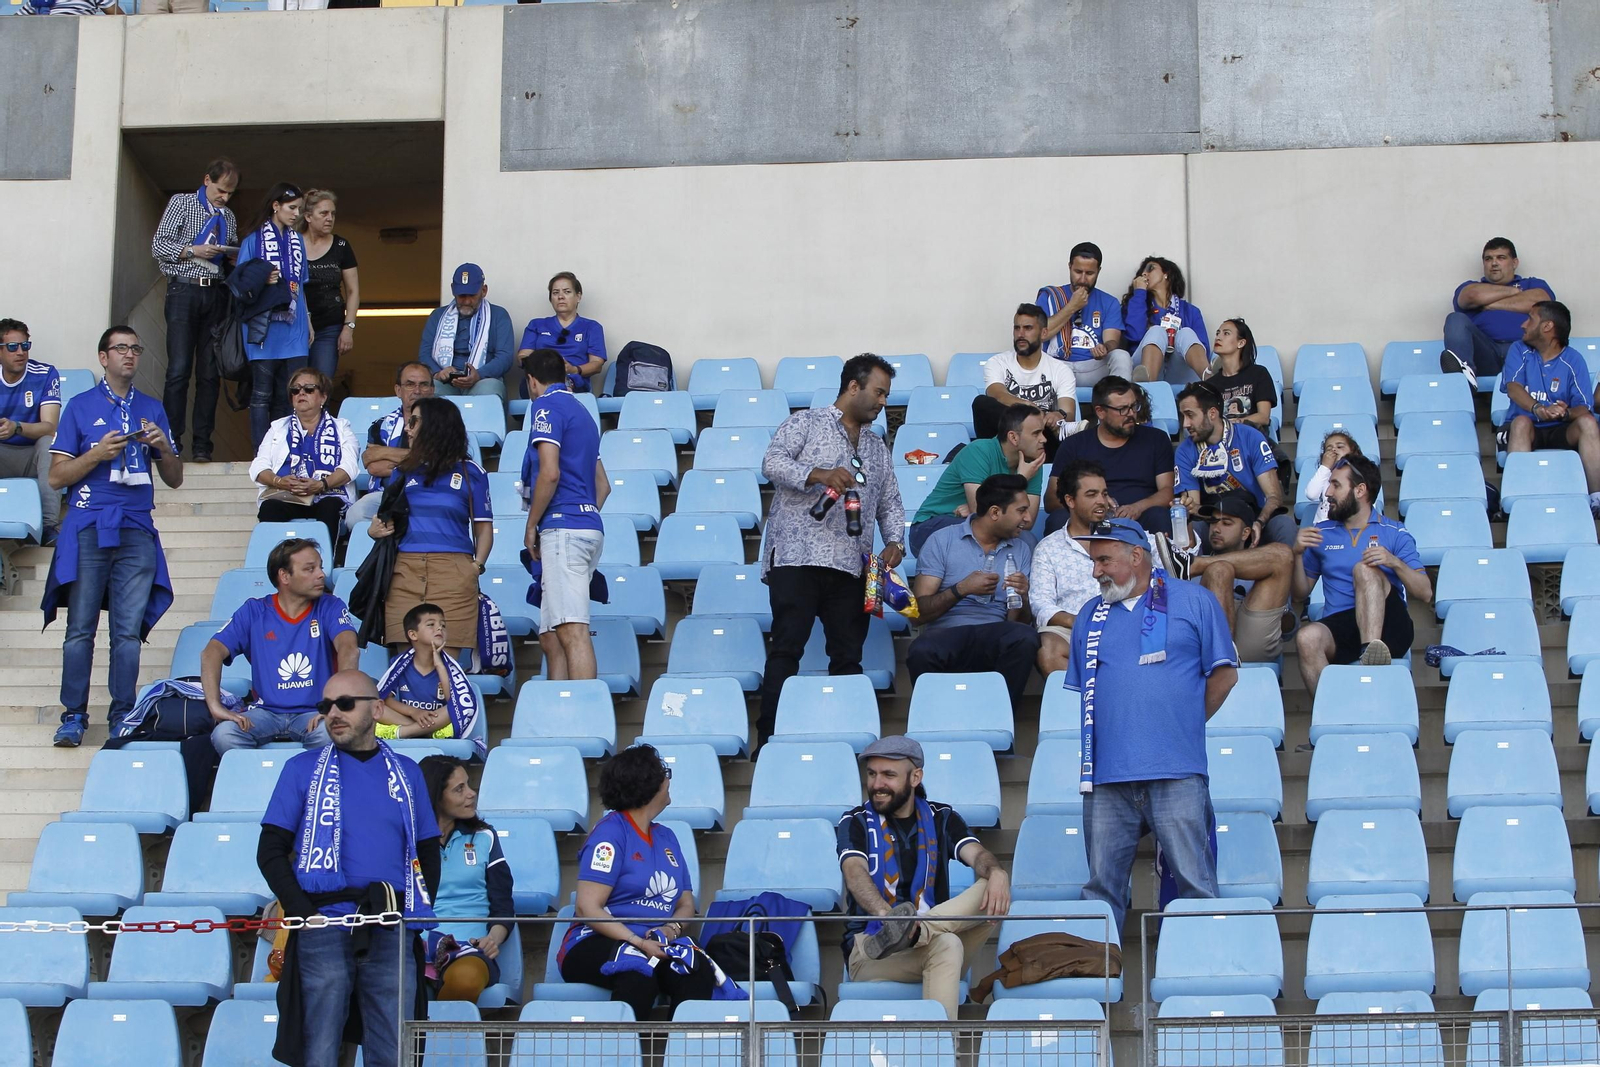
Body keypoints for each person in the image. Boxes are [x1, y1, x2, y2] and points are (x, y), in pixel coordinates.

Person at [257, 669, 439, 1067]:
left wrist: (411, 917)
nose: (333, 714)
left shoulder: (407, 773)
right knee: (319, 1051)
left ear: (377, 709)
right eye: (325, 706)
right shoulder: (300, 769)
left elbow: (428, 853)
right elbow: (269, 851)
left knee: (393, 1051)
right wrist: (304, 913)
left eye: (345, 703)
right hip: (322, 924)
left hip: (390, 925)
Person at [1064, 517, 1238, 934]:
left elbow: (1225, 675)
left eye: (1104, 560)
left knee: (1196, 887)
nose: (1096, 571)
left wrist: (1181, 722)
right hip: (1105, 777)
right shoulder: (1088, 615)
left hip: (1176, 770)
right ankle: (1100, 973)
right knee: (1100, 894)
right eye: (1094, 561)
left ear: (1136, 556)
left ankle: (1202, 966)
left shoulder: (1195, 601)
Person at [43, 327, 183, 747]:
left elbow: (175, 479)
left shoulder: (152, 407)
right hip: (89, 525)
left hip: (136, 528)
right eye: (121, 348)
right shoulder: (79, 406)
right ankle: (73, 715)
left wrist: (165, 449)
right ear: (103, 357)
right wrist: (97, 454)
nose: (130, 355)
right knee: (80, 629)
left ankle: (123, 713)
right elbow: (56, 477)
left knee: (127, 633)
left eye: (136, 348)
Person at [758, 354, 905, 749]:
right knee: (786, 650)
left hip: (851, 566)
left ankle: (847, 742)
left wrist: (895, 542)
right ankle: (768, 742)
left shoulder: (877, 446)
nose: (883, 402)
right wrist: (817, 474)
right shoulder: (805, 422)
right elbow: (771, 462)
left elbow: (890, 501)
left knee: (848, 657)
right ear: (853, 387)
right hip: (797, 558)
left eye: (886, 395)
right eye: (879, 392)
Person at [836, 735, 1011, 1021]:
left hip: (932, 938)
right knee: (948, 944)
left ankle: (918, 930)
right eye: (872, 774)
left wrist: (997, 872)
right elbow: (854, 872)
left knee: (992, 885)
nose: (877, 784)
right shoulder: (855, 821)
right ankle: (941, 1047)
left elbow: (978, 855)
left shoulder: (941, 817)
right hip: (871, 950)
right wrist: (887, 916)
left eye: (888, 775)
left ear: (915, 777)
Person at [558, 744, 717, 1020]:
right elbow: (587, 907)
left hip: (654, 942)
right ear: (647, 784)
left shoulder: (668, 837)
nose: (668, 780)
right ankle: (624, 1046)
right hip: (597, 941)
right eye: (664, 773)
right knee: (636, 971)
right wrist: (636, 941)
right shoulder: (610, 833)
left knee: (696, 970)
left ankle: (681, 1046)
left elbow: (686, 903)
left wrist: (670, 929)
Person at [202, 538, 358, 752]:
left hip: (316, 711)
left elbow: (349, 648)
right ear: (284, 576)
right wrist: (215, 706)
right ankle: (256, 775)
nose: (321, 574)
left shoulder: (331, 606)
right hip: (265, 713)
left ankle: (308, 775)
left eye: (320, 567)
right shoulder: (254, 611)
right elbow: (211, 653)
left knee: (330, 732)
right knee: (225, 734)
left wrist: (337, 703)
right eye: (310, 569)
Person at [1294, 455, 1433, 691]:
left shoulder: (1395, 532)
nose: (1328, 492)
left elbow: (1425, 592)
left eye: (1336, 485)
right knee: (1306, 638)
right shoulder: (1320, 533)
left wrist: (1394, 562)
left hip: (1390, 627)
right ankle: (1331, 711)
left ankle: (1370, 653)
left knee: (1365, 568)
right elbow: (1299, 594)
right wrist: (1296, 554)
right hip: (1343, 627)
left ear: (1360, 490)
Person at [370, 397, 491, 662]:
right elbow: (386, 521)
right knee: (408, 667)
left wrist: (476, 567)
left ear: (436, 425)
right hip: (404, 572)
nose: (407, 428)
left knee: (445, 667)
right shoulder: (401, 472)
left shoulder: (472, 472)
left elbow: (483, 529)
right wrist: (375, 530)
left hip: (453, 574)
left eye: (414, 421)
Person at [908, 474, 1040, 706]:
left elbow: (1017, 622)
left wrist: (1023, 597)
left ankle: (1002, 715)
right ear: (995, 512)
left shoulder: (1021, 548)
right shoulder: (942, 540)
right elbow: (918, 614)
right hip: (947, 633)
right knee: (921, 650)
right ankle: (935, 717)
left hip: (996, 631)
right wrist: (961, 589)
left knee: (1025, 638)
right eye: (1021, 511)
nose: (1028, 519)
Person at [521, 348, 609, 681]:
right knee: (551, 635)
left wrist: (532, 525)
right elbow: (603, 486)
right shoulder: (582, 411)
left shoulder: (545, 406)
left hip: (563, 528)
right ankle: (557, 705)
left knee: (572, 630)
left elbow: (549, 473)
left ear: (531, 381)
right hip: (587, 525)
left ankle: (584, 708)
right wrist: (582, 514)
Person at [151, 158, 238, 462]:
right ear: (207, 180)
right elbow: (158, 245)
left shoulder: (229, 216)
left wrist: (233, 257)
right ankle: (172, 443)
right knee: (178, 370)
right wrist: (193, 250)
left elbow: (230, 254)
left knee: (209, 374)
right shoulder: (182, 202)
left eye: (230, 193)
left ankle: (202, 446)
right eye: (220, 190)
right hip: (183, 289)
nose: (224, 197)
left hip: (215, 292)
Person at [418, 755, 513, 1002]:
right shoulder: (406, 840)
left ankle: (434, 1027)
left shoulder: (485, 836)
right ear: (435, 796)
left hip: (468, 948)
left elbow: (503, 907)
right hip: (415, 946)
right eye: (459, 789)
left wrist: (492, 940)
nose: (472, 794)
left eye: (469, 784)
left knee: (466, 979)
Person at [1498, 300, 1600, 514]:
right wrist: (1538, 409)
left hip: (1561, 428)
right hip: (1527, 428)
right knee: (1521, 422)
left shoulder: (1573, 360)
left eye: (1530, 319)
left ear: (1547, 326)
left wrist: (1565, 413)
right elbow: (1513, 388)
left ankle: (1596, 500)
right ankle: (1515, 503)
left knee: (1588, 423)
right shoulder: (1519, 350)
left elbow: (1584, 406)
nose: (1523, 325)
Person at [907, 403, 1046, 555]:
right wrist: (1021, 479)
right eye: (1036, 434)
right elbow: (981, 513)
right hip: (933, 524)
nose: (1044, 439)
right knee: (978, 536)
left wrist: (985, 509)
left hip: (979, 526)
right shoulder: (979, 451)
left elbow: (1026, 521)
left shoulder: (1032, 463)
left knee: (1027, 541)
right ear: (1013, 437)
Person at [1045, 376, 1175, 536]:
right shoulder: (1074, 445)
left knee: (1160, 515)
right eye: (1122, 409)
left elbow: (1167, 492)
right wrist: (1092, 503)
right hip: (1088, 520)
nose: (1131, 414)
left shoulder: (1156, 440)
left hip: (1140, 518)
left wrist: (1137, 507)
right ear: (1100, 412)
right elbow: (1051, 500)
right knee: (1058, 518)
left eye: (1134, 406)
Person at [248, 367, 359, 548]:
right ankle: (277, 560)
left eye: (309, 389)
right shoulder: (278, 428)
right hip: (288, 495)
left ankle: (323, 561)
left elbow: (350, 467)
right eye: (295, 390)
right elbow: (259, 466)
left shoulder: (342, 428)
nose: (301, 393)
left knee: (330, 507)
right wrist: (279, 481)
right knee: (270, 508)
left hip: (327, 494)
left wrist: (321, 484)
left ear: (323, 397)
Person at [237, 182, 312, 449]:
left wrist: (309, 322)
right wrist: (262, 279)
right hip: (263, 328)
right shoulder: (252, 241)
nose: (296, 214)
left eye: (299, 209)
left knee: (292, 394)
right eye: (292, 208)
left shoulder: (298, 241)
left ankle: (287, 450)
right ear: (276, 206)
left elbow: (301, 285)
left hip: (295, 326)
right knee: (261, 395)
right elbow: (240, 284)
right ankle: (262, 453)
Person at [1174, 382, 1295, 546]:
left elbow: (1274, 497)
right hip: (1213, 522)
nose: (1185, 424)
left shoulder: (1250, 436)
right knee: (1193, 529)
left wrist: (1259, 523)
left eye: (1190, 415)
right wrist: (1222, 521)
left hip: (1254, 518)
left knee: (1284, 525)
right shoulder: (1184, 451)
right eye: (1183, 417)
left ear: (1212, 413)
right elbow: (1194, 506)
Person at [1029, 461, 1114, 678]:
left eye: (1104, 494)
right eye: (1091, 494)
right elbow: (1041, 604)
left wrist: (1184, 524)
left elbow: (1174, 560)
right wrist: (1077, 620)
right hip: (1071, 629)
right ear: (1070, 500)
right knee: (1048, 649)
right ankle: (1084, 700)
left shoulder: (1124, 537)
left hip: (1122, 623)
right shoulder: (1048, 548)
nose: (1101, 501)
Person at [1187, 496, 1293, 665]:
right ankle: (1223, 658)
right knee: (1219, 570)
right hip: (1207, 640)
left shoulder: (1265, 562)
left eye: (1226, 523)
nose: (1216, 529)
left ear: (1245, 533)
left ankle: (1225, 659)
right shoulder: (1187, 565)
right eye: (1213, 522)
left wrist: (1282, 613)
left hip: (1251, 633)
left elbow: (1289, 630)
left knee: (1283, 553)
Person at [1441, 237, 1555, 389]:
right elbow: (1472, 296)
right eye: (1488, 259)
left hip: (1522, 350)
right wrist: (1514, 292)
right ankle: (1464, 379)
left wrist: (1488, 304)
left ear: (1514, 263)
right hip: (1484, 353)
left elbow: (1542, 302)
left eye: (1501, 257)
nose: (1494, 263)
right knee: (1455, 319)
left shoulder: (1532, 284)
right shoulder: (1472, 286)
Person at [970, 303, 1081, 449]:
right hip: (1008, 441)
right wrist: (1030, 408)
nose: (1020, 334)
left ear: (1044, 333)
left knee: (1056, 428)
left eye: (1028, 328)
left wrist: (1058, 415)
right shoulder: (997, 363)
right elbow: (998, 394)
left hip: (1043, 441)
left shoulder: (1060, 370)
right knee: (981, 403)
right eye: (1017, 328)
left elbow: (1068, 412)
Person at [373, 603, 481, 750]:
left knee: (461, 708)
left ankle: (407, 732)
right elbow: (386, 698)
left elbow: (455, 703)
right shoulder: (399, 663)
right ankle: (426, 733)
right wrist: (414, 712)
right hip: (410, 718)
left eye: (443, 625)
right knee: (374, 706)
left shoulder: (450, 666)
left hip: (437, 719)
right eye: (431, 624)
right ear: (413, 634)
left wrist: (440, 666)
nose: (439, 628)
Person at [348, 361, 436, 531]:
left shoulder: (445, 423)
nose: (417, 391)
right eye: (410, 384)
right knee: (355, 515)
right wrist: (420, 460)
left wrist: (385, 452)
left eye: (424, 384)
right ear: (398, 390)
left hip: (430, 492)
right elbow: (374, 467)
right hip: (386, 495)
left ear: (432, 390)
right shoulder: (381, 425)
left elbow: (436, 462)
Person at [1035, 241, 1132, 386]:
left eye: (1090, 273)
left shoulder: (1109, 302)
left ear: (1098, 271)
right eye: (1078, 272)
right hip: (1056, 366)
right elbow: (1040, 335)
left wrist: (1105, 348)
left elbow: (1112, 340)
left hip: (1093, 366)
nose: (1082, 279)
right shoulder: (1050, 297)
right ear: (1069, 267)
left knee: (1121, 355)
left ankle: (1119, 400)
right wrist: (1072, 306)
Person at [0, 318, 62, 543]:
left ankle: (48, 527)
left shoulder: (45, 374)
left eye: (25, 345)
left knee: (49, 443)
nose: (20, 352)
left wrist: (16, 427)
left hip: (32, 455)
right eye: (12, 347)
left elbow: (50, 427)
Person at [419, 263, 516, 399]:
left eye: (472, 295)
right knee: (427, 391)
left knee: (490, 390)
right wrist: (438, 373)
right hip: (445, 382)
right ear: (453, 290)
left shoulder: (498, 315)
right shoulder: (437, 316)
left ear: (483, 291)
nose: (466, 301)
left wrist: (479, 374)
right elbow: (424, 354)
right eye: (462, 295)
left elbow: (505, 357)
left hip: (483, 380)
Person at [299, 190, 360, 383]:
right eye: (324, 213)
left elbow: (353, 291)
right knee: (295, 383)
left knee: (322, 382)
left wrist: (348, 328)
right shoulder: (293, 244)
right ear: (308, 216)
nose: (330, 218)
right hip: (296, 325)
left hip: (329, 326)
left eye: (333, 213)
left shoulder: (341, 246)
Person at [516, 272, 607, 394]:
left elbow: (596, 364)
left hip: (574, 381)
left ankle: (562, 390)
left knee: (565, 383)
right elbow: (523, 356)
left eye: (567, 292)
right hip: (539, 379)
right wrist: (541, 366)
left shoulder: (592, 327)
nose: (560, 296)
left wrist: (573, 369)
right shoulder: (536, 325)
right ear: (550, 298)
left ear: (578, 296)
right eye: (555, 293)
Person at [1122, 256, 1209, 383]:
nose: (1144, 274)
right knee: (1156, 331)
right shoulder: (1136, 303)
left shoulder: (1190, 311)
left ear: (1166, 274)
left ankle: (1210, 379)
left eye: (1150, 268)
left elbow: (1204, 349)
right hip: (1144, 366)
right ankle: (1148, 388)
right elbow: (1135, 335)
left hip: (1178, 370)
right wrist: (1140, 293)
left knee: (1186, 332)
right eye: (1142, 272)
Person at [1202, 318, 1277, 437]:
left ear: (1241, 343)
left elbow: (1264, 417)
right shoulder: (1210, 385)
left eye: (1226, 333)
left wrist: (1235, 423)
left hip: (1251, 438)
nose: (1218, 337)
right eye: (1217, 333)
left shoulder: (1258, 374)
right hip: (1222, 441)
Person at [1302, 430, 1361, 525]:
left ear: (1352, 451)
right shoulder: (1325, 474)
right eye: (1329, 449)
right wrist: (1325, 467)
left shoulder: (1360, 473)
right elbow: (1311, 494)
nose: (1334, 450)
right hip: (1324, 526)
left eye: (1340, 447)